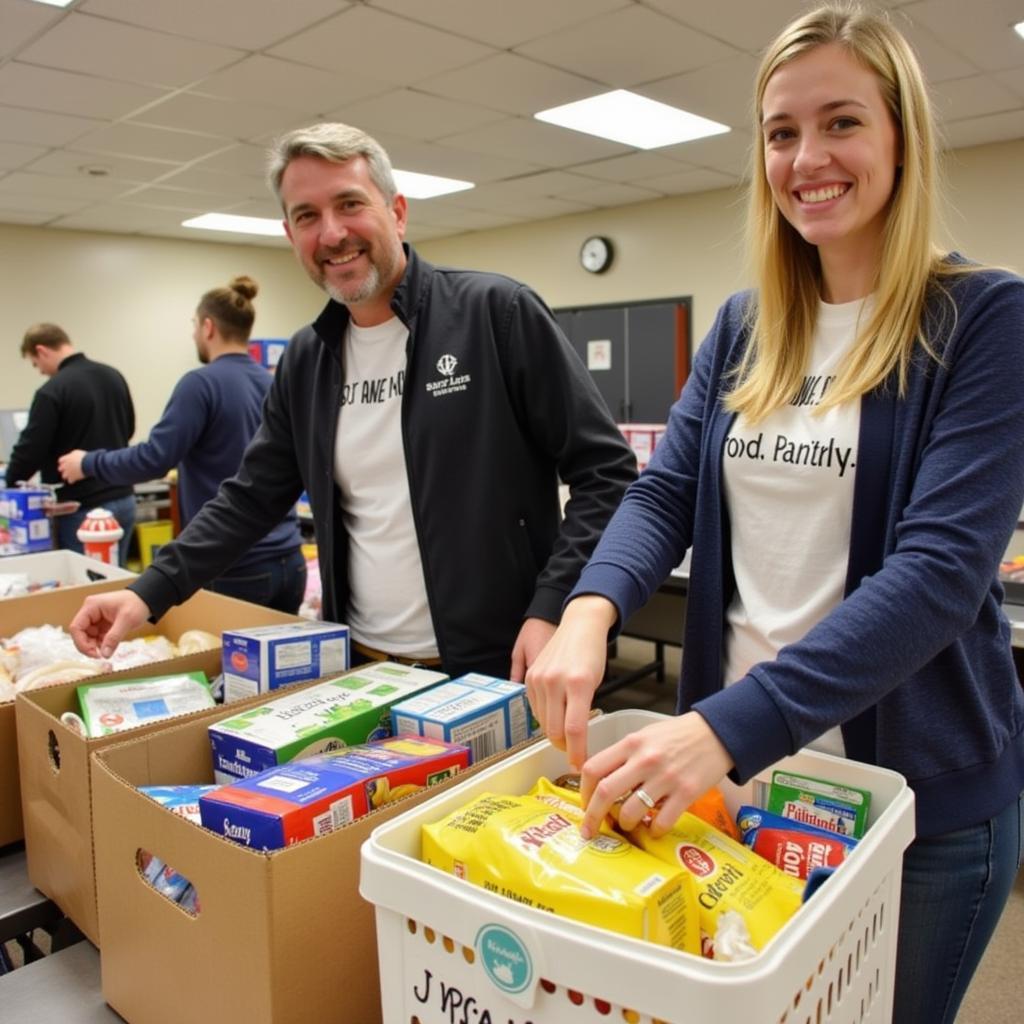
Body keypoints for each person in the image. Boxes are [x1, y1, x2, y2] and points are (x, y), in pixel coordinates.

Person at [525, 6, 1024, 1023]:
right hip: (745, 789)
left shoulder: (984, 319)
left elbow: (938, 574)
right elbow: (665, 490)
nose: (807, 157)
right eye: (780, 131)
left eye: (841, 122)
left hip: (913, 806)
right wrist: (588, 611)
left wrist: (720, 727)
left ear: (899, 136)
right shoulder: (747, 323)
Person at [69, 122, 637, 680]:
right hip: (360, 669)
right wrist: (148, 592)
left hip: (499, 665)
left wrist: (555, 606)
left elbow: (605, 473)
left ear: (397, 211)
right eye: (307, 216)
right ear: (291, 236)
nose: (333, 233)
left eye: (349, 204)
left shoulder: (495, 314)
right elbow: (249, 499)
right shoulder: (306, 359)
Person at [57, 277, 307, 614]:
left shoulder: (200, 384)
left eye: (193, 325)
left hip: (235, 567)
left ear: (207, 327)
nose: (193, 334)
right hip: (290, 563)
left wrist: (88, 463)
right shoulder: (271, 381)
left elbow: (153, 459)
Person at [8, 323, 136, 563]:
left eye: (36, 364)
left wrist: (9, 482)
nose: (41, 372)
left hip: (82, 508)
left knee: (88, 589)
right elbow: (128, 428)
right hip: (125, 499)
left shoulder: (52, 391)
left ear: (42, 350)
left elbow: (29, 451)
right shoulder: (113, 376)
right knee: (119, 581)